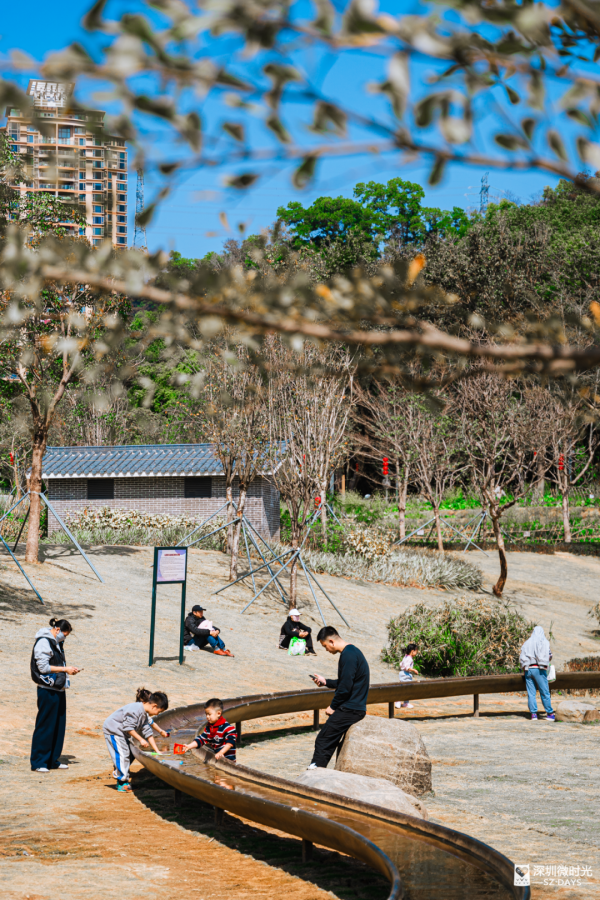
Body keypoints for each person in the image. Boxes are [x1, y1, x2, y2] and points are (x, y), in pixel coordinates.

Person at [307, 626, 370, 769]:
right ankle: (317, 770)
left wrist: (333, 706)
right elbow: (345, 682)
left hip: (350, 709)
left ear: (331, 641)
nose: (326, 650)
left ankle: (315, 773)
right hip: (353, 707)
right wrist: (326, 682)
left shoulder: (348, 655)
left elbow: (345, 687)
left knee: (323, 740)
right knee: (327, 739)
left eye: (325, 646)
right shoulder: (352, 652)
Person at [30, 617, 81, 773]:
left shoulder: (56, 642)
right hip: (47, 690)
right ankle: (39, 762)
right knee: (45, 725)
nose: (64, 638)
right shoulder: (43, 642)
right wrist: (66, 670)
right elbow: (43, 667)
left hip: (58, 689)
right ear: (57, 630)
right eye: (64, 635)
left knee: (58, 725)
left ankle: (52, 760)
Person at [103, 687, 169, 792]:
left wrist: (157, 751)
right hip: (114, 730)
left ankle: (120, 772)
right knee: (123, 754)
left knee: (129, 753)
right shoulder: (135, 709)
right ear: (154, 706)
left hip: (122, 732)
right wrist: (141, 739)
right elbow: (128, 728)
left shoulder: (144, 714)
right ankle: (122, 783)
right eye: (159, 712)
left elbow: (148, 733)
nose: (157, 714)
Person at [519, 626, 555, 722]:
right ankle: (550, 713)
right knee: (544, 692)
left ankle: (533, 714)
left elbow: (522, 656)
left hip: (528, 669)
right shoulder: (544, 642)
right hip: (539, 669)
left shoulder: (527, 643)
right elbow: (549, 655)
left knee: (531, 693)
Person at [395, 643, 419, 710]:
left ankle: (403, 702)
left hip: (402, 673)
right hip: (406, 674)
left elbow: (401, 664)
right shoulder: (409, 658)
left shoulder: (405, 656)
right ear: (412, 651)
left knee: (404, 688)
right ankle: (401, 702)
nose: (416, 653)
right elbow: (407, 667)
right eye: (416, 651)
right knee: (406, 689)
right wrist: (414, 670)